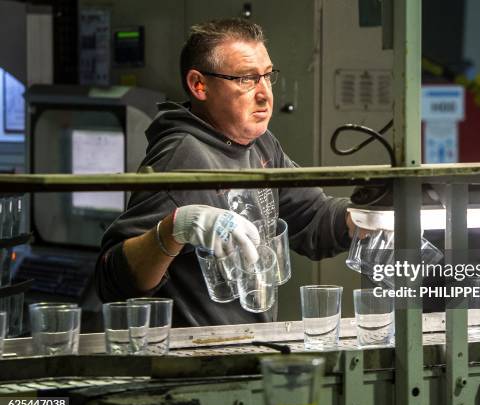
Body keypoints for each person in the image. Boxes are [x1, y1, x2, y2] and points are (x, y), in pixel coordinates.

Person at [94, 18, 354, 327]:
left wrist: (361, 216)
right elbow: (112, 279)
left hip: (249, 346)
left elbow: (312, 217)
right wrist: (174, 229)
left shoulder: (260, 144)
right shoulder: (183, 156)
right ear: (199, 85)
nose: (264, 94)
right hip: (196, 359)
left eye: (267, 77)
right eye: (246, 79)